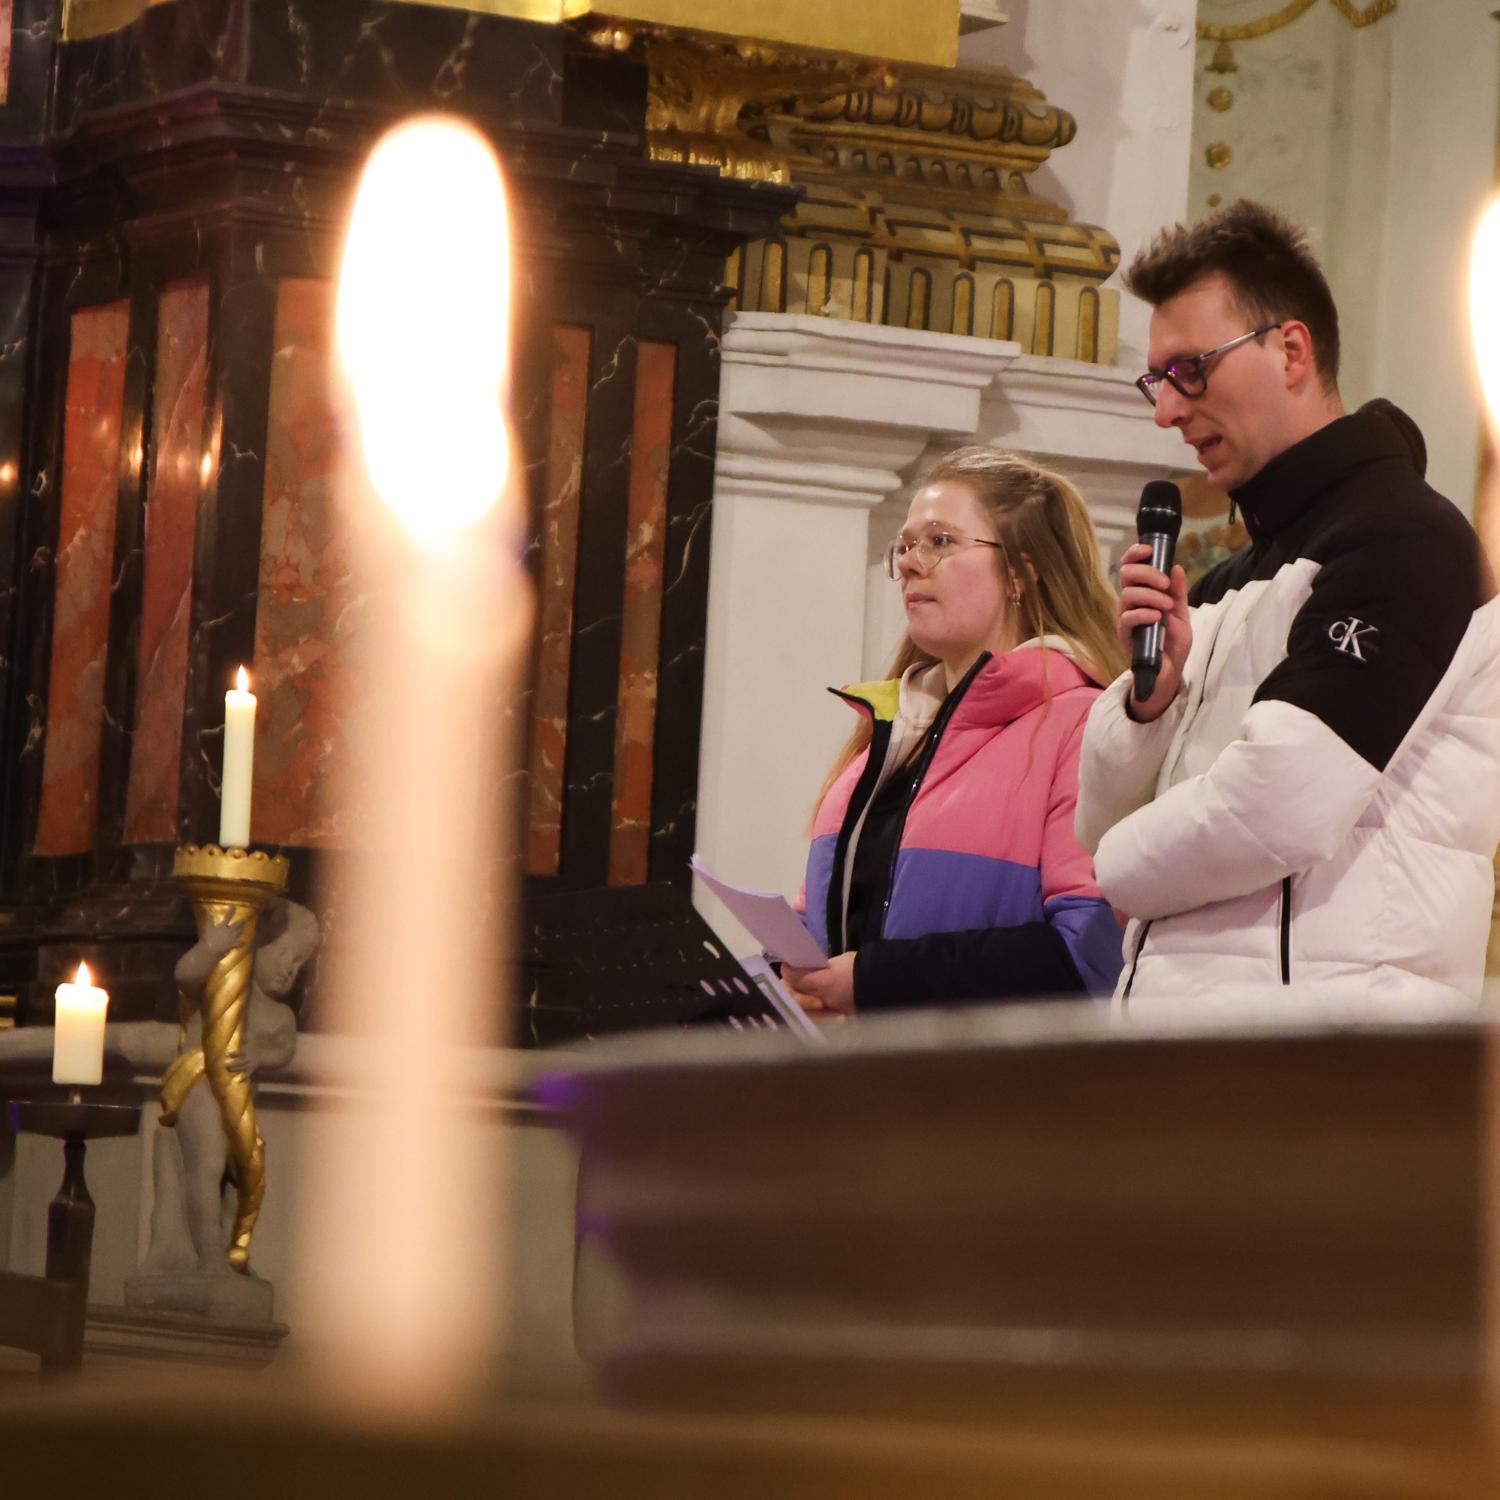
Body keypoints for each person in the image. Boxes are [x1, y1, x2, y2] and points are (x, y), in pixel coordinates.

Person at [1076, 199, 1500, 1006]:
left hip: (1328, 1068)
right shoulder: (1223, 583)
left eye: (1189, 371)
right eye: (1156, 381)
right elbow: (1094, 821)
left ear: (1291, 350)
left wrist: (1108, 875)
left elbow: (1276, 810)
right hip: (1208, 1056)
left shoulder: (1406, 543)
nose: (1167, 409)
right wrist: (1148, 702)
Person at [782, 447, 1127, 1019]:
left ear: (1021, 570)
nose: (912, 564)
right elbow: (819, 925)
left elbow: (1089, 956)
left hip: (989, 1098)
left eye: (940, 542)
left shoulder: (1083, 723)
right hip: (861, 1090)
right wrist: (789, 980)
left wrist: (875, 980)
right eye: (907, 545)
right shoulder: (888, 734)